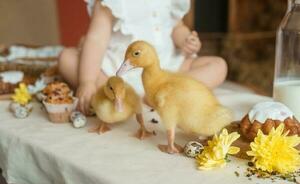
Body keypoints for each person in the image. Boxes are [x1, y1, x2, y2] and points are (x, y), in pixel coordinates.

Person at [58, 0, 228, 114]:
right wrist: (86, 81)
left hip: (167, 69)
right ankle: (131, 98)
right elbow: (96, 40)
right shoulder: (110, 3)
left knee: (218, 66)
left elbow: (177, 27)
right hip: (119, 74)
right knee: (67, 58)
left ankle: (164, 94)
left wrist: (185, 40)